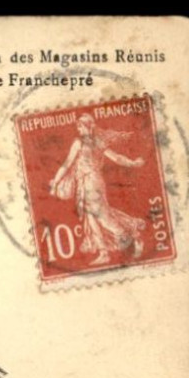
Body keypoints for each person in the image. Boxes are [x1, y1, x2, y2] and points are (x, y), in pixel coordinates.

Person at [49, 113, 146, 267]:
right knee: (91, 217)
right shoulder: (96, 142)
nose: (79, 130)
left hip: (91, 182)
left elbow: (67, 164)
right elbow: (116, 158)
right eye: (78, 127)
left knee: (101, 216)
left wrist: (133, 163)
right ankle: (103, 253)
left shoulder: (80, 143)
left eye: (81, 126)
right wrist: (133, 163)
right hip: (87, 182)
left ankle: (131, 235)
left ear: (89, 127)